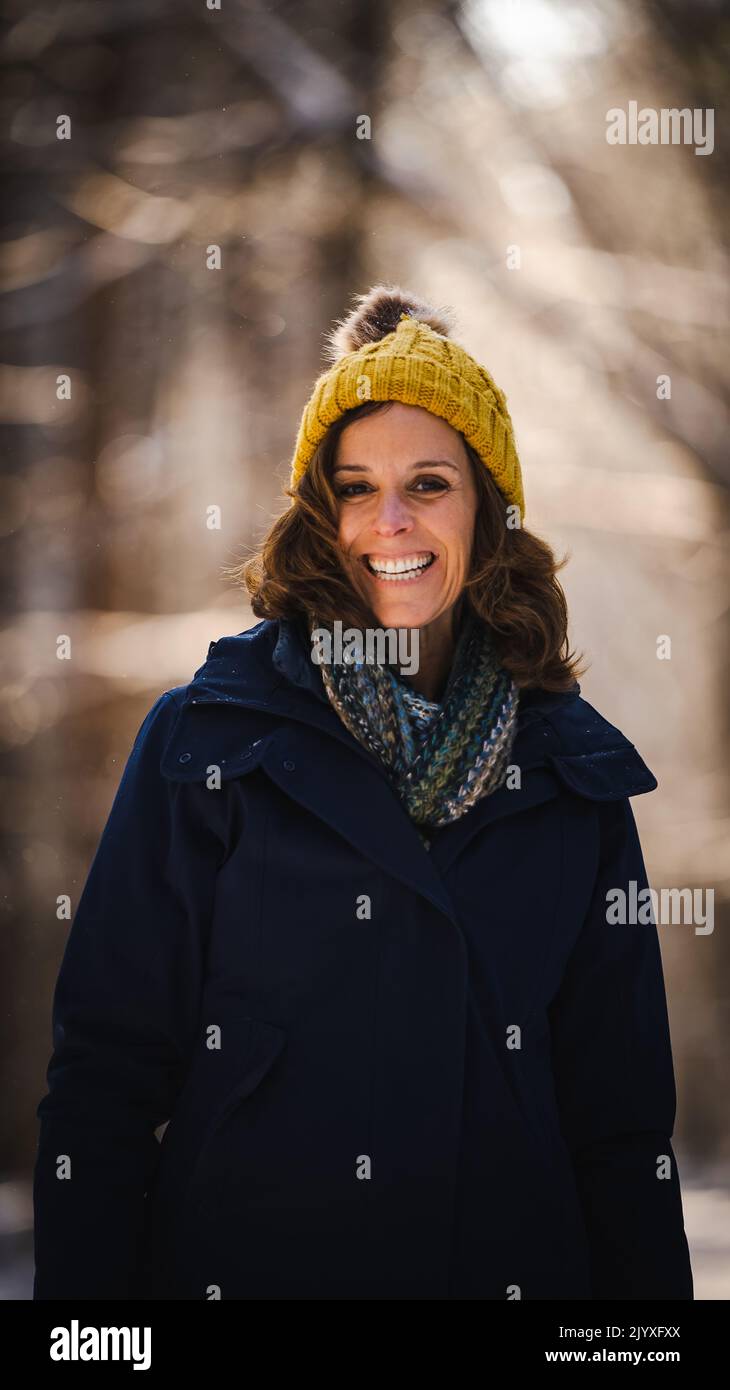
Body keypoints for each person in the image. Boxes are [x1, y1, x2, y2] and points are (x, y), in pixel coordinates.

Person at [33, 285, 694, 1300]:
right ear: (317, 513)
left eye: (428, 483)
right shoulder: (209, 741)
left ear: (486, 505)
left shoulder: (575, 776)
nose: (390, 521)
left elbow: (621, 1130)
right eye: (354, 487)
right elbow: (104, 1084)